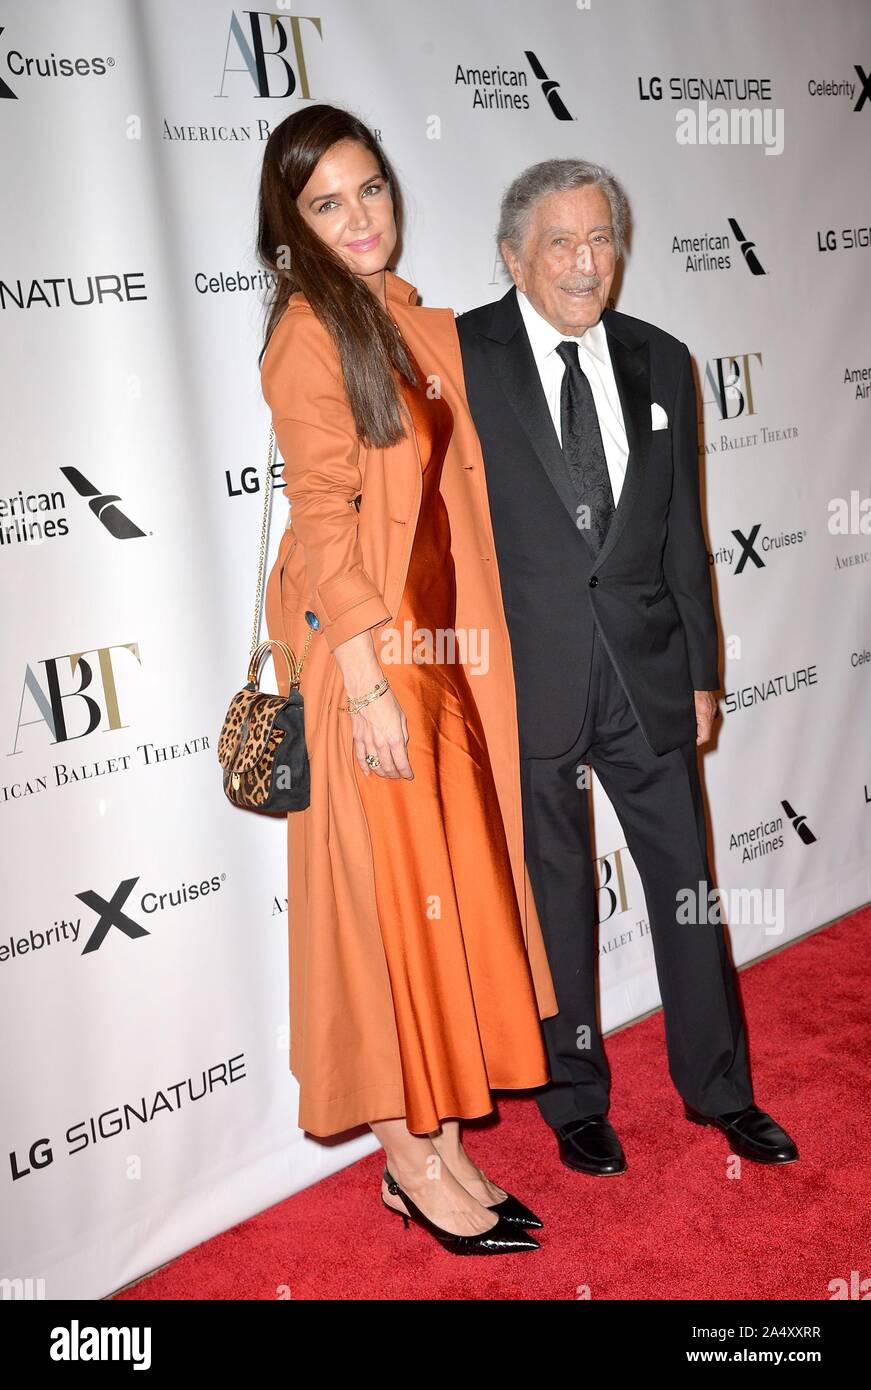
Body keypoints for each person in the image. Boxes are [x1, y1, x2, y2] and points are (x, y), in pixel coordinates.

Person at [255, 105, 559, 1254]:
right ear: (291, 227)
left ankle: (436, 1141)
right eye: (325, 203)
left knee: (434, 907)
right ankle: (405, 1156)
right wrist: (373, 682)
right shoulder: (306, 332)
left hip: (438, 662)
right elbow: (324, 524)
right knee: (385, 919)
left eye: (370, 189)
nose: (359, 217)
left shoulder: (396, 314)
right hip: (368, 668)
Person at [455, 159, 798, 1176]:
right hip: (529, 677)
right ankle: (573, 1100)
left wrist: (699, 671)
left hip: (647, 671)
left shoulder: (662, 357)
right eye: (558, 241)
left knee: (686, 883)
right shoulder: (461, 353)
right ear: (512, 253)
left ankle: (721, 1088)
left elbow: (685, 532)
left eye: (598, 237)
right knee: (554, 890)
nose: (582, 260)